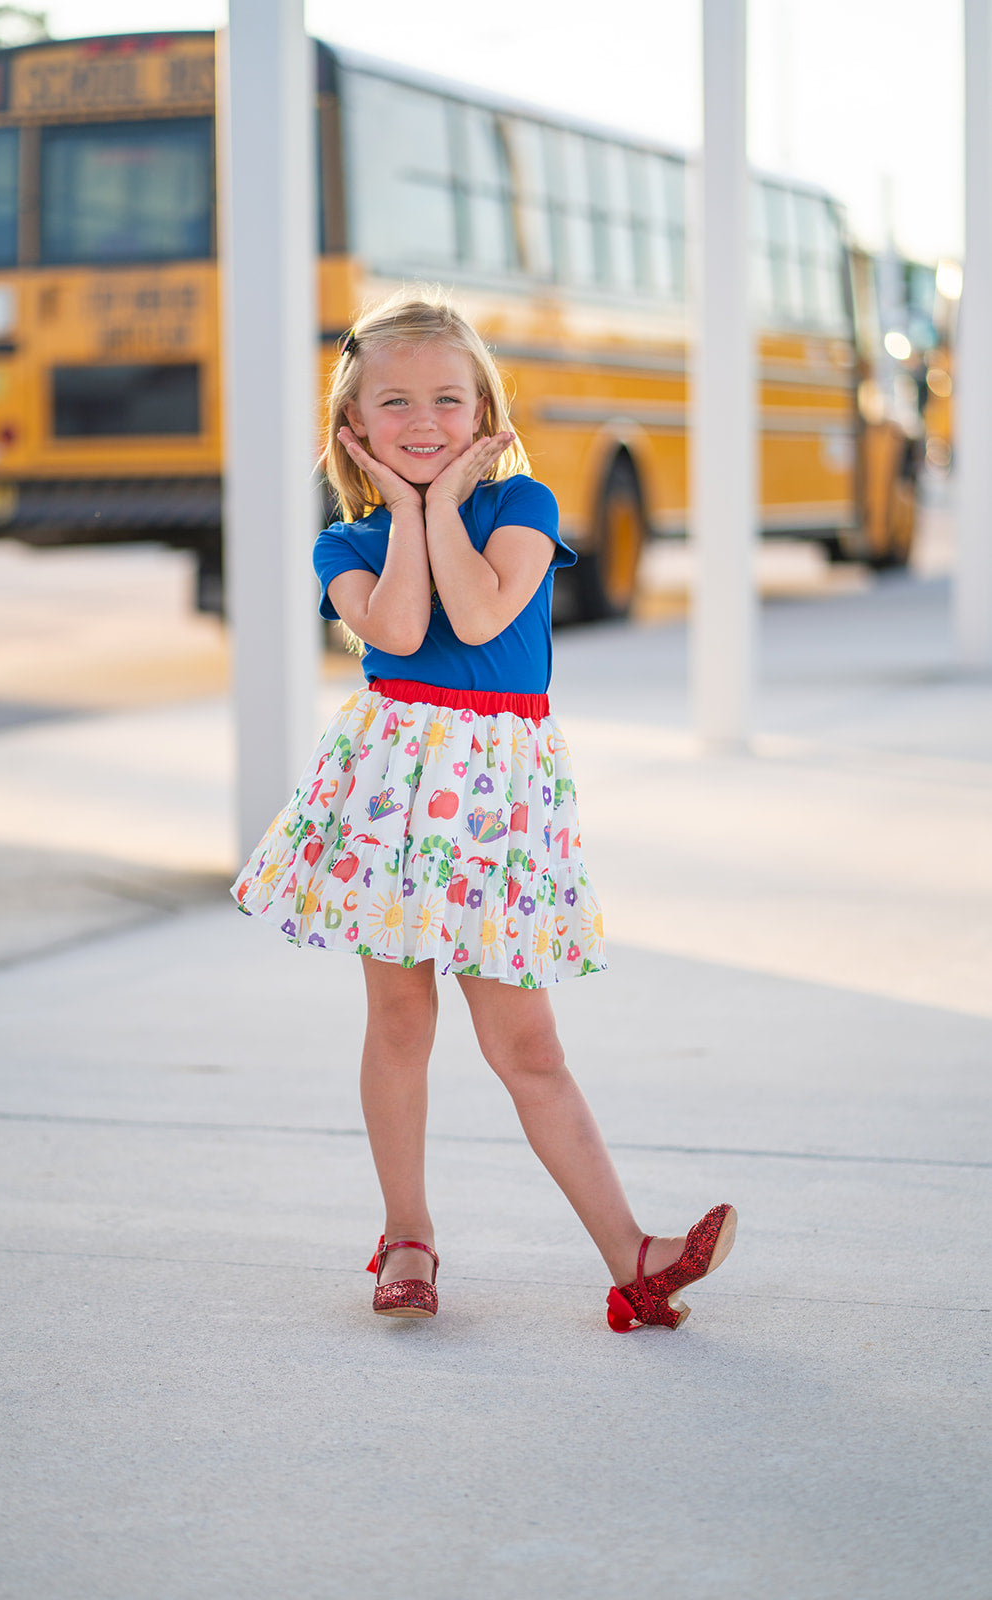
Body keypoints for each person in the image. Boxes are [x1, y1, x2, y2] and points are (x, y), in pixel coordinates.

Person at [232, 291, 736, 1330]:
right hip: (392, 793)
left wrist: (448, 499)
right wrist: (408, 510)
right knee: (401, 1018)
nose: (423, 420)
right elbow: (406, 623)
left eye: (448, 400)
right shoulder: (346, 547)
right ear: (355, 427)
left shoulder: (525, 509)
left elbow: (474, 610)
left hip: (494, 802)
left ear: (483, 413)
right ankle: (405, 1235)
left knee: (527, 1044)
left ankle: (631, 1256)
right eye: (395, 403)